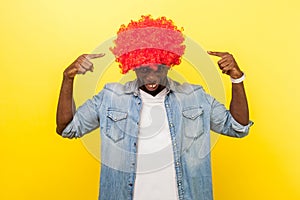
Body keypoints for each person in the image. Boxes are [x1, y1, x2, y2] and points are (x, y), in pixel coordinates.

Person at [56, 15, 253, 200]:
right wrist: (68, 79)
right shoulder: (110, 98)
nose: (151, 77)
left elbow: (237, 126)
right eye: (143, 69)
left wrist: (237, 78)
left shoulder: (195, 97)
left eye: (158, 67)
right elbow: (67, 128)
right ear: (132, 65)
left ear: (169, 64)